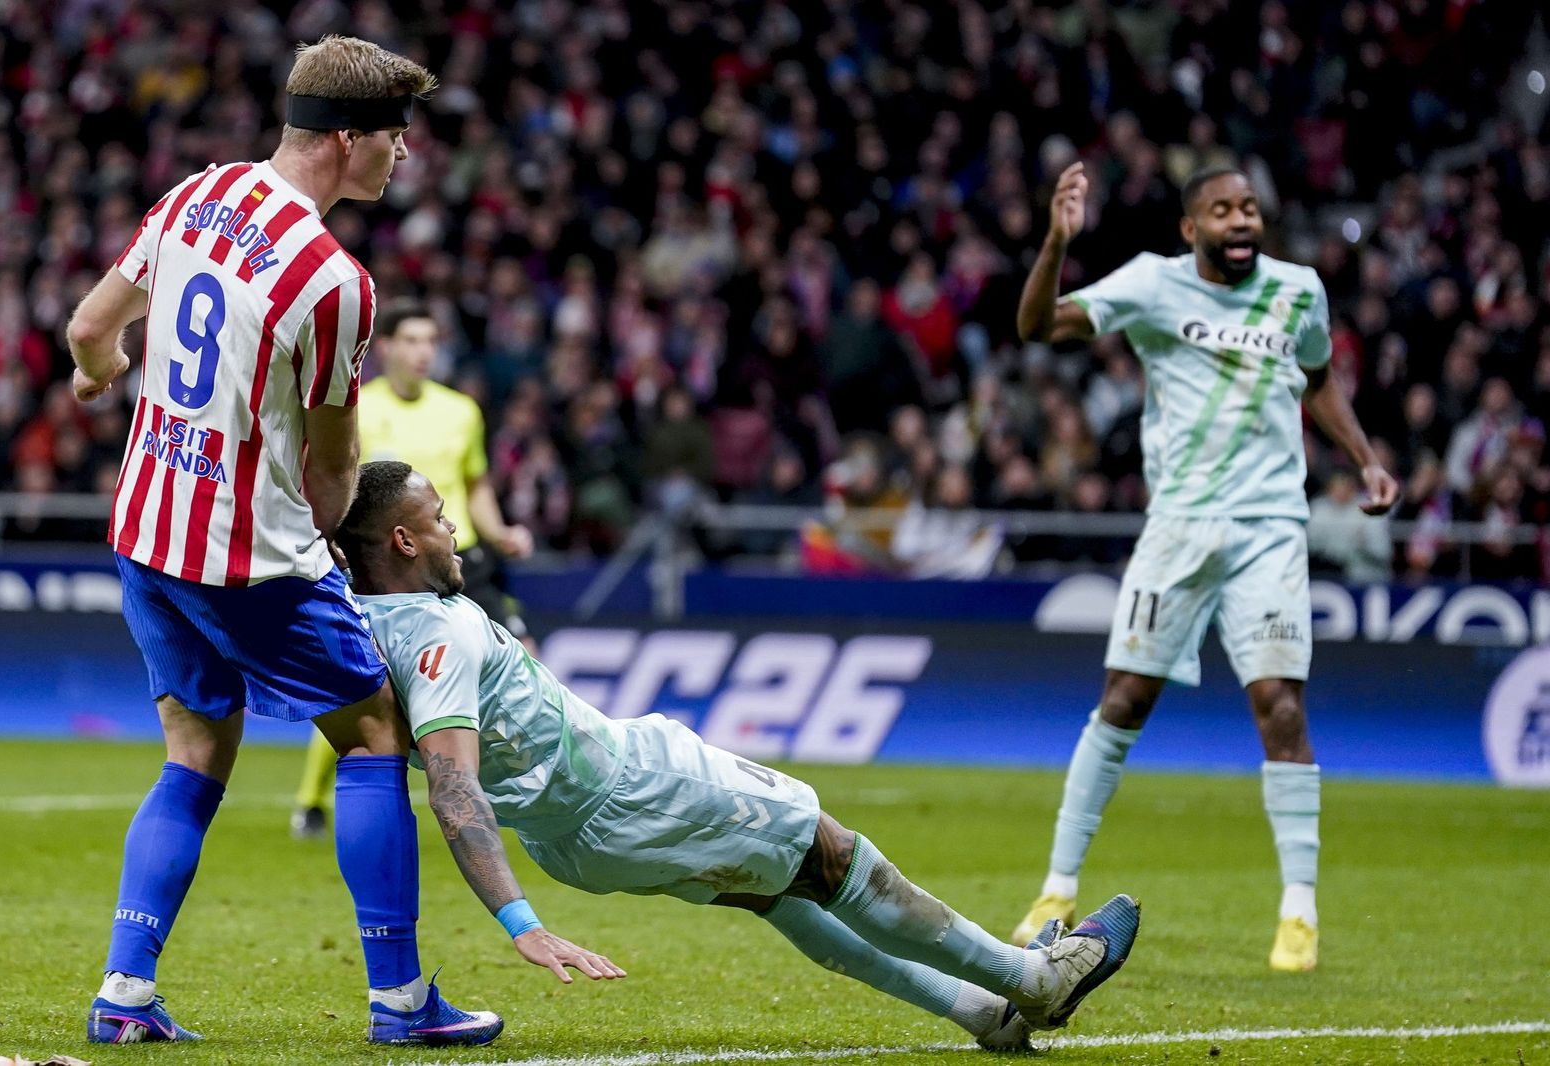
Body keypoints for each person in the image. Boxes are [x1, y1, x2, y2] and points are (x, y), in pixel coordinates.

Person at [335, 461, 1143, 1052]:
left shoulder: (357, 626)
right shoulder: (439, 631)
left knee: (781, 897)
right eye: (440, 517)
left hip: (571, 844)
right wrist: (523, 926)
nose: (454, 530)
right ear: (404, 538)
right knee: (829, 854)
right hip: (632, 789)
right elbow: (452, 786)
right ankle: (1031, 980)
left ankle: (980, 1011)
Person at [65, 36, 513, 1045]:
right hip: (246, 555)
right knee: (372, 735)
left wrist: (97, 376)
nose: (402, 156)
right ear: (347, 140)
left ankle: (124, 994)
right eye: (394, 138)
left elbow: (92, 327)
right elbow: (333, 467)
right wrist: (333, 548)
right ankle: (400, 1001)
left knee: (194, 747)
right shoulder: (333, 279)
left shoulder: (197, 195)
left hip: (145, 534)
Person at [1011, 163, 1399, 973]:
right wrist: (1056, 240)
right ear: (1191, 229)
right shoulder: (1153, 285)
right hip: (1180, 530)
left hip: (1269, 528)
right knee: (1123, 698)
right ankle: (1056, 887)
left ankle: (1299, 911)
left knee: (1280, 708)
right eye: (1221, 210)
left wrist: (1364, 458)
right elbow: (1038, 327)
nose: (1239, 220)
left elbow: (1319, 382)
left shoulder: (1298, 291)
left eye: (1249, 207)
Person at [290, 300, 534, 840]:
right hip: (384, 573)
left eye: (431, 341)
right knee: (360, 682)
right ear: (387, 348)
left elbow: (476, 486)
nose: (424, 352)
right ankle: (311, 800)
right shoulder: (357, 407)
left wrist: (499, 534)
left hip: (459, 561)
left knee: (523, 662)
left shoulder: (461, 411)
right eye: (412, 340)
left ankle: (526, 799)